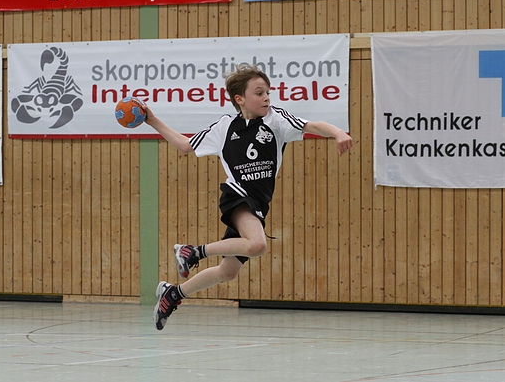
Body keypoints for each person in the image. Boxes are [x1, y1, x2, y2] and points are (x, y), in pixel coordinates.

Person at [144, 64, 353, 331]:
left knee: (227, 272)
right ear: (240, 99)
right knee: (257, 245)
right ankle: (192, 252)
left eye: (268, 92)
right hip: (237, 196)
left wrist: (337, 132)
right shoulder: (224, 127)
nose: (266, 98)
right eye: (259, 93)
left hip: (258, 204)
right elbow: (185, 145)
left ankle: (173, 294)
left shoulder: (276, 121)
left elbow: (312, 125)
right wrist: (152, 120)